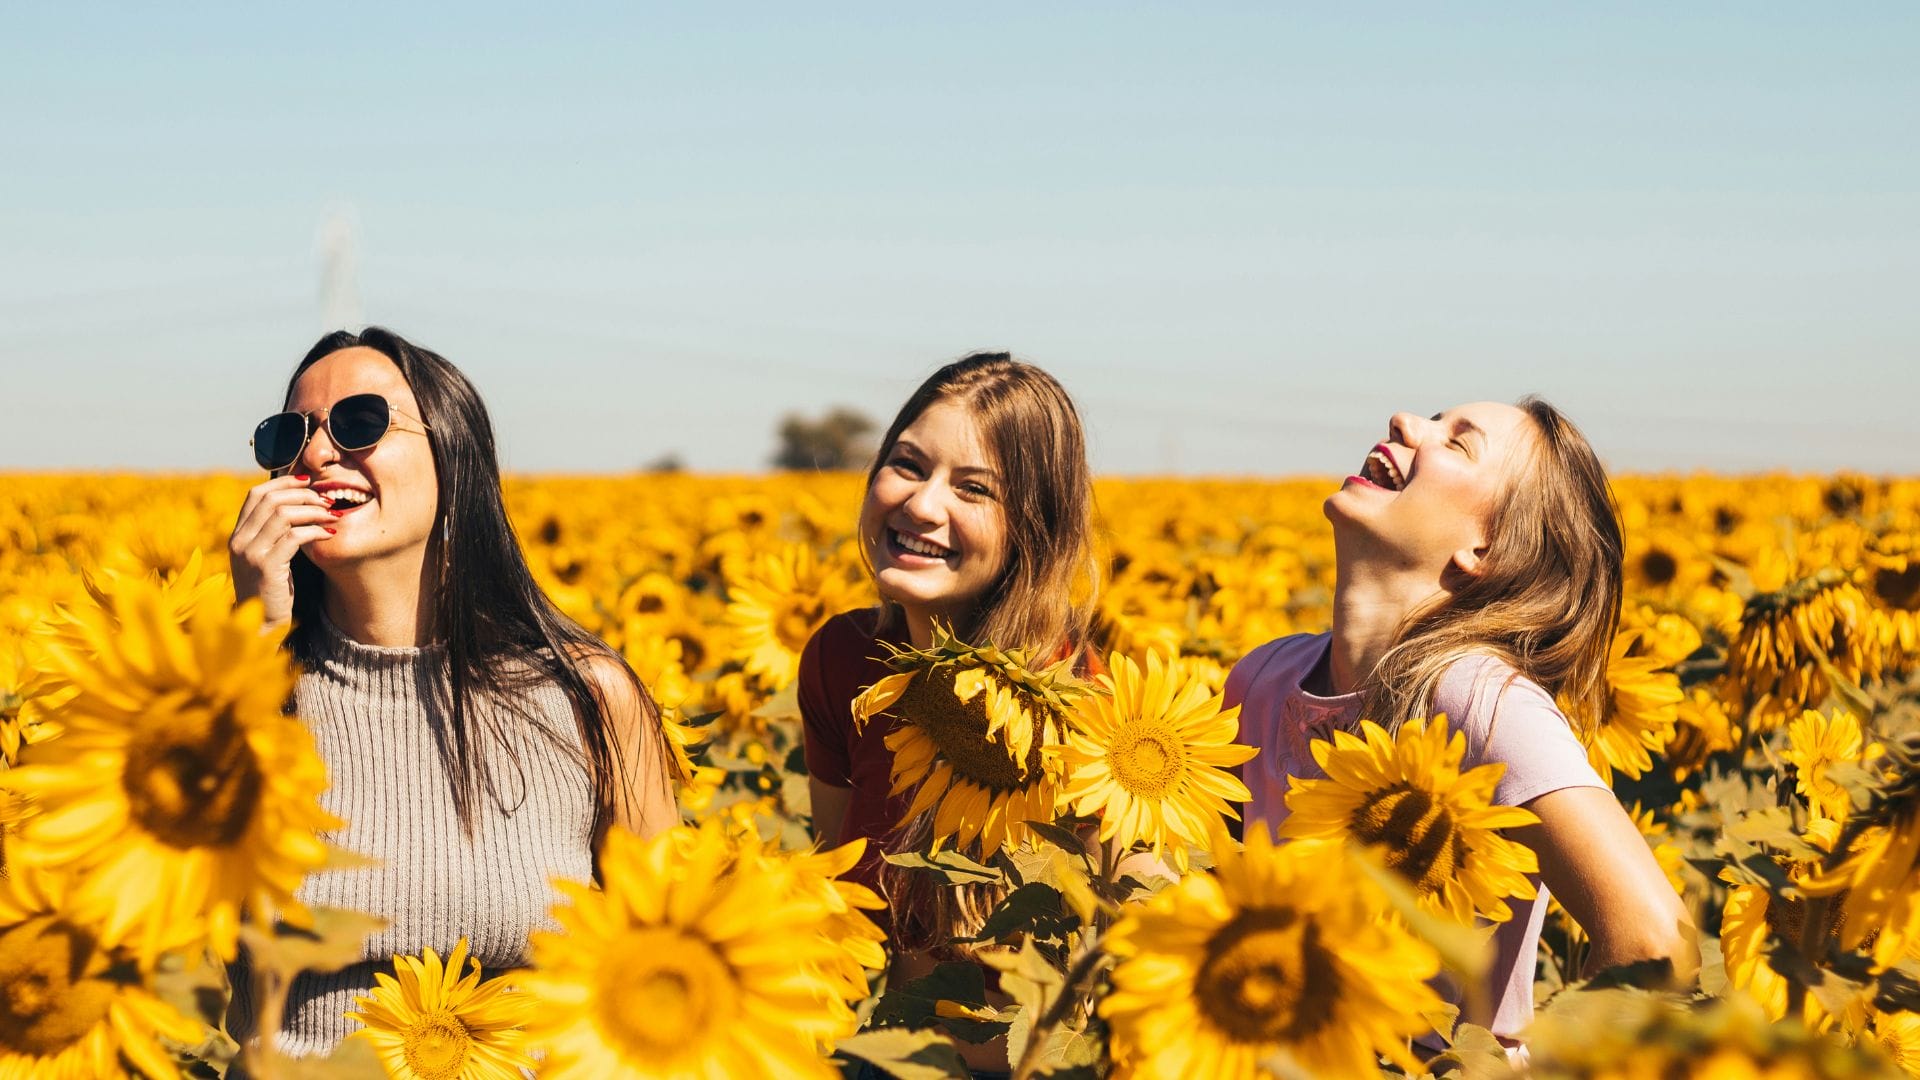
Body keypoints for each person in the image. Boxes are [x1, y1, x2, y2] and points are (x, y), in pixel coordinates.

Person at [224, 327, 676, 1059]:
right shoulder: (238, 693)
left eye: (360, 423)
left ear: (452, 454)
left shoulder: (588, 699)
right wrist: (247, 649)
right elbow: (155, 933)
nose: (314, 453)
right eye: (289, 435)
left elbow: (668, 963)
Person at [1225, 398, 1696, 1051]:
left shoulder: (1474, 697)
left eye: (1456, 442)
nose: (1404, 422)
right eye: (1432, 418)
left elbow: (1655, 941)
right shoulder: (1262, 679)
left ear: (1486, 548)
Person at [800, 351, 1098, 1077]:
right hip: (887, 1057)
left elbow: (1103, 940)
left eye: (973, 488)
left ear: (1031, 528)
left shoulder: (1076, 700)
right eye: (907, 465)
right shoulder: (843, 659)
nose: (922, 505)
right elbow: (837, 886)